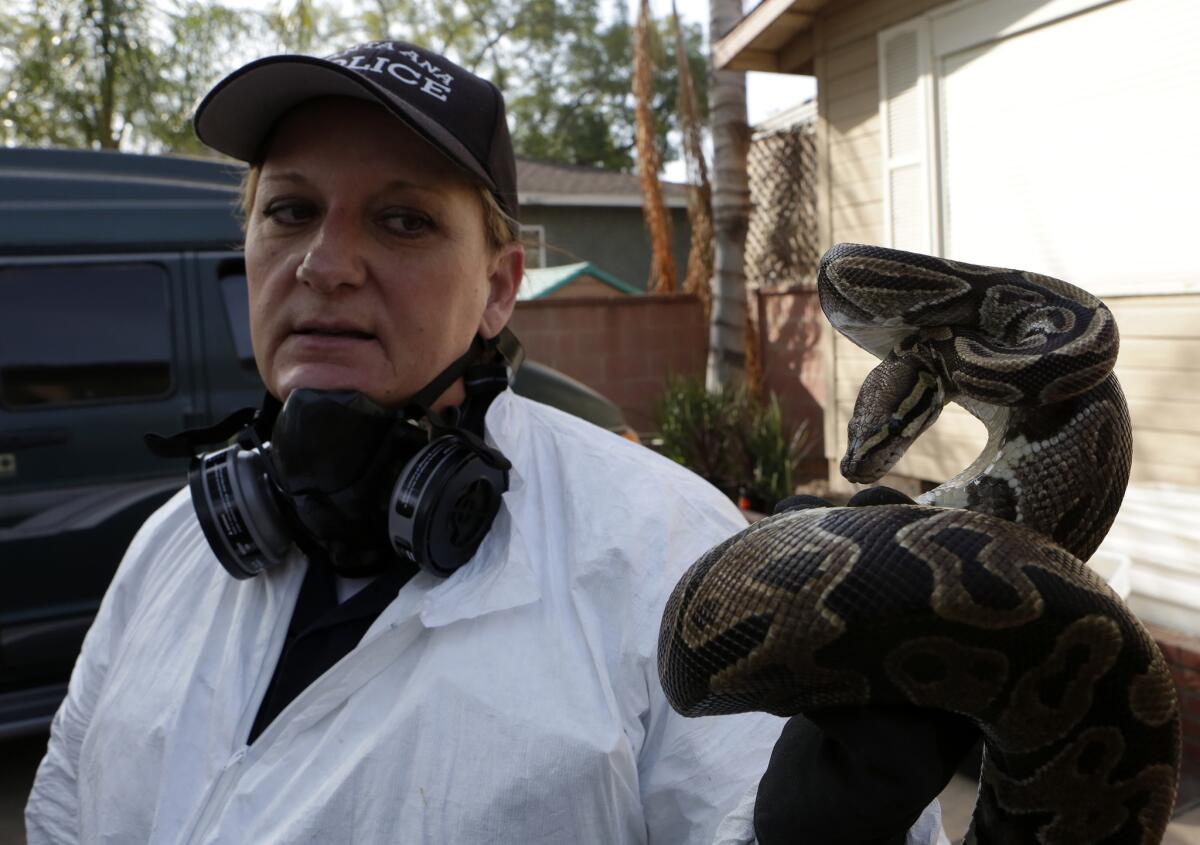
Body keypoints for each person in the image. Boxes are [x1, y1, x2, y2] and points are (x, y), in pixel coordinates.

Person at [25, 40, 950, 844]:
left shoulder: (667, 551)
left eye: (403, 220)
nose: (324, 264)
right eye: (291, 210)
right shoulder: (167, 550)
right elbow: (64, 809)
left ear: (499, 289)